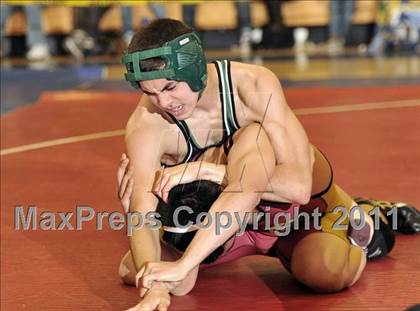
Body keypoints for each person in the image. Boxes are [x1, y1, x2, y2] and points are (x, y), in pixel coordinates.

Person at [116, 18, 419, 310]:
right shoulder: (148, 124)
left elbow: (298, 187)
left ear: (195, 69)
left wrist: (208, 169)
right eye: (149, 92)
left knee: (326, 271)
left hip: (290, 209)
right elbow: (142, 212)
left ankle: (365, 214)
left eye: (169, 88)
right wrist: (156, 283)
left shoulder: (252, 87)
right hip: (229, 223)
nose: (163, 103)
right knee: (137, 267)